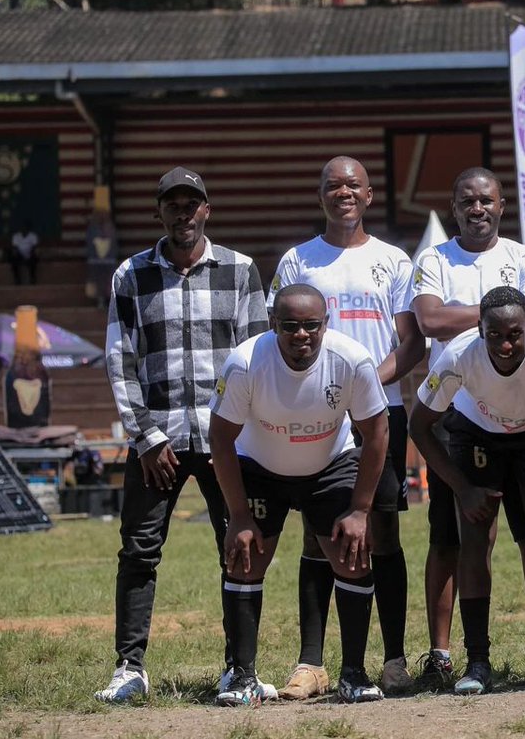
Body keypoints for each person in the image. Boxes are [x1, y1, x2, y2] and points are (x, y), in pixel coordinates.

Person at [97, 167, 268, 703]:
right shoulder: (131, 274)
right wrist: (144, 436)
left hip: (226, 439)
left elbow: (257, 358)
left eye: (191, 204)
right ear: (159, 213)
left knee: (239, 547)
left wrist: (242, 435)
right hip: (159, 442)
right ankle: (130, 667)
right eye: (172, 204)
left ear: (206, 210)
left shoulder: (240, 270)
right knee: (139, 551)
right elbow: (120, 359)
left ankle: (240, 668)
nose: (183, 214)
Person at [268, 157, 424, 699]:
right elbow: (276, 333)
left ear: (369, 194)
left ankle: (394, 659)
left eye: (353, 185)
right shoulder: (297, 260)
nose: (344, 193)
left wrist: (363, 384)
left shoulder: (393, 260)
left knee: (382, 532)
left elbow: (412, 343)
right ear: (321, 196)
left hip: (379, 411)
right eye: (333, 185)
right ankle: (311, 664)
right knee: (317, 534)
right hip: (313, 413)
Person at [209, 283, 391, 705]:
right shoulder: (245, 362)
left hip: (329, 465)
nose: (301, 335)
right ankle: (242, 678)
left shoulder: (352, 360)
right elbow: (220, 438)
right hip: (260, 466)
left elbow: (378, 432)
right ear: (273, 323)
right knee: (245, 559)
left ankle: (353, 675)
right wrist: (239, 516)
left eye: (311, 325)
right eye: (290, 325)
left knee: (352, 554)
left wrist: (360, 510)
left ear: (326, 324)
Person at [410, 168, 525, 687]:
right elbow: (429, 321)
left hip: (523, 411)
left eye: (486, 200)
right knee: (454, 539)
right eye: (467, 200)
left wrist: (468, 315)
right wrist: (498, 314)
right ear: (454, 207)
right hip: (456, 413)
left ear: (501, 204)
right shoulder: (434, 260)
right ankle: (444, 653)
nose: (477, 209)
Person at [408, 286, 525, 694]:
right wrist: (462, 489)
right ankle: (477, 662)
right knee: (474, 540)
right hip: (477, 434)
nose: (505, 345)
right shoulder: (458, 355)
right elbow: (419, 426)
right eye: (495, 335)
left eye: (514, 334)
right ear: (479, 329)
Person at [86, 206, 119, 310]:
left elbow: (114, 244)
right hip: (96, 261)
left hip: (108, 261)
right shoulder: (92, 229)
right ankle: (100, 300)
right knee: (98, 281)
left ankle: (109, 300)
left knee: (109, 280)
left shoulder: (110, 228)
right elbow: (90, 245)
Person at [9, 219, 38, 285]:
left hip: (30, 255)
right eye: (22, 227)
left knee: (34, 259)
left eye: (25, 227)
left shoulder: (33, 236)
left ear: (28, 228)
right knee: (13, 260)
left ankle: (32, 278)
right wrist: (18, 255)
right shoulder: (16, 236)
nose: (24, 229)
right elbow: (15, 248)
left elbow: (34, 248)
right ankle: (17, 279)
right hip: (19, 255)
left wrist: (29, 256)